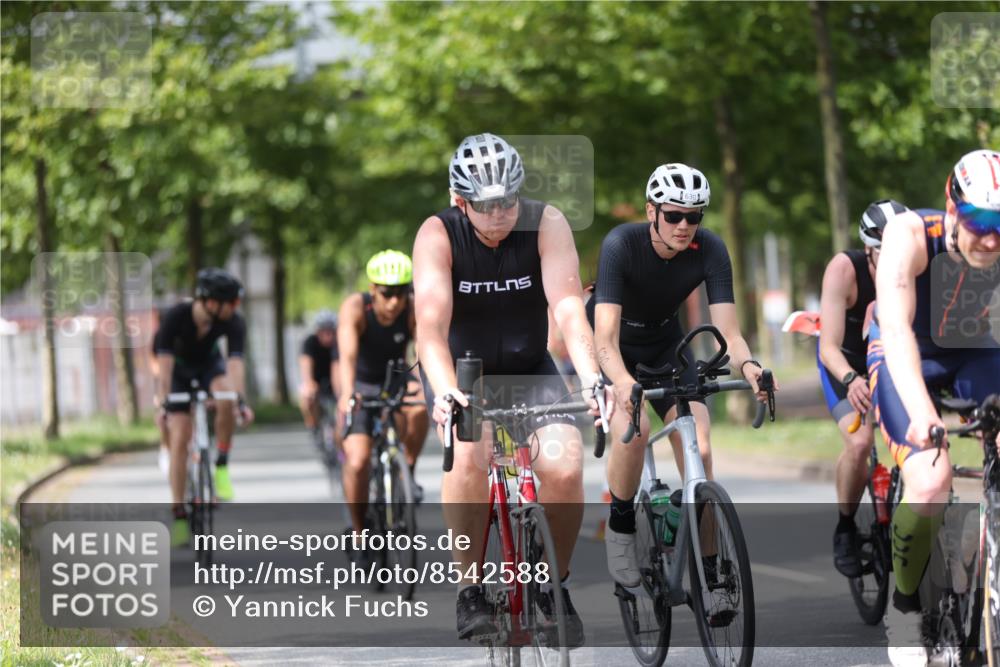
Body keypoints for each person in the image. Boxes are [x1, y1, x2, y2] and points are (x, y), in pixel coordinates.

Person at [413, 132, 612, 647]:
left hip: (529, 369)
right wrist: (444, 392)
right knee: (470, 455)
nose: (501, 213)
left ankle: (553, 586)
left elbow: (569, 309)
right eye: (486, 206)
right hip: (464, 374)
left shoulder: (545, 222)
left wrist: (591, 377)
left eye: (508, 201)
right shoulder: (438, 234)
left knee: (565, 466)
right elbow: (430, 331)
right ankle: (471, 587)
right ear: (462, 202)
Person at [590, 162, 776, 588]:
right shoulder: (621, 244)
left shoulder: (710, 248)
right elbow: (604, 337)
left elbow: (729, 332)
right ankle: (620, 529)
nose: (683, 225)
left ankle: (711, 570)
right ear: (651, 211)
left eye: (693, 217)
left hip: (666, 346)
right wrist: (620, 382)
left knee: (701, 448)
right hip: (616, 348)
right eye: (673, 215)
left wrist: (749, 366)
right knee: (634, 429)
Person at [867, 149, 1000, 667]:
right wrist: (924, 416)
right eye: (979, 219)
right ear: (952, 208)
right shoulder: (910, 235)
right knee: (928, 478)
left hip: (974, 350)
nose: (990, 236)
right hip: (907, 353)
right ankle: (903, 607)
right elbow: (897, 330)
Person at [820, 200, 909, 577]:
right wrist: (851, 379)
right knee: (859, 443)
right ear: (868, 250)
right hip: (845, 365)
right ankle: (845, 526)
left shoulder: (917, 267)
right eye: (884, 254)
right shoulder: (844, 270)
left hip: (891, 361)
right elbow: (827, 346)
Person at [154, 268, 254, 547]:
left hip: (210, 367)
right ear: (211, 302)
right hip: (178, 372)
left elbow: (235, 366)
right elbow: (163, 370)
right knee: (180, 434)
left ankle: (221, 465)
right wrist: (163, 401)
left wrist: (240, 400)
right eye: (232, 302)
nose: (236, 308)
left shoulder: (233, 322)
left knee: (227, 396)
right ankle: (180, 513)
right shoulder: (176, 317)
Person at [337, 250, 429, 538]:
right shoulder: (355, 308)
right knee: (358, 461)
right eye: (387, 294)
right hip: (363, 385)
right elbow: (348, 356)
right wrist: (347, 394)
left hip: (396, 378)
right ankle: (359, 530)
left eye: (401, 293)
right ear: (372, 289)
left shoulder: (411, 308)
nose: (394, 302)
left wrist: (431, 387)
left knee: (422, 405)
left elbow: (424, 352)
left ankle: (407, 470)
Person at [298, 309, 340, 451]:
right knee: (306, 396)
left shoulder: (339, 343)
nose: (328, 336)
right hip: (316, 379)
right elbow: (305, 364)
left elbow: (340, 367)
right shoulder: (310, 343)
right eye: (324, 331)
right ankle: (313, 425)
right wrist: (309, 382)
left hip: (335, 379)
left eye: (331, 331)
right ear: (318, 331)